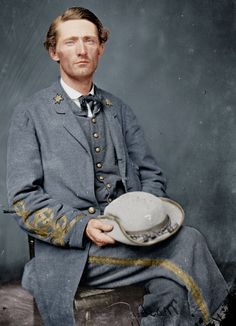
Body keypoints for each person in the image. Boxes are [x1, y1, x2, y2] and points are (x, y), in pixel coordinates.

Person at [7, 7, 228, 326]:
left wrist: (145, 218)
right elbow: (23, 201)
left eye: (89, 40)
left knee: (170, 288)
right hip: (74, 255)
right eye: (71, 42)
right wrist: (82, 227)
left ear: (101, 48)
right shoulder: (30, 114)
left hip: (133, 243)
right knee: (189, 241)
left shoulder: (119, 109)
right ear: (54, 51)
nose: (81, 50)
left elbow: (151, 175)